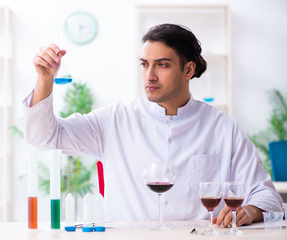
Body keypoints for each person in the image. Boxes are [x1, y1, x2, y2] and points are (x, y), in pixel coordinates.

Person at [23, 23, 283, 227]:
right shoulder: (114, 119)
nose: (150, 76)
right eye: (145, 64)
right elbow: (45, 137)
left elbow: (267, 196)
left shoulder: (223, 128)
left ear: (188, 70)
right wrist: (44, 80)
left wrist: (249, 211)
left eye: (162, 65)